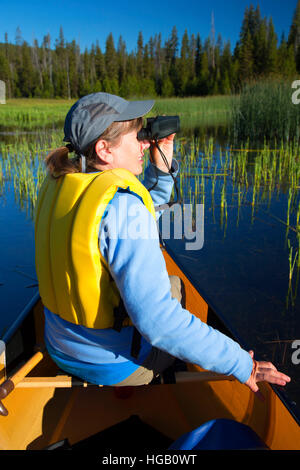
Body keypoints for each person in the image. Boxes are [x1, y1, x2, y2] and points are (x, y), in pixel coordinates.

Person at [35, 92, 290, 395]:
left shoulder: (63, 183)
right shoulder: (121, 207)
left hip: (59, 346)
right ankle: (148, 385)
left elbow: (125, 216)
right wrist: (239, 362)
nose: (145, 142)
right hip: (113, 364)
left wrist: (162, 170)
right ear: (104, 149)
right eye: (136, 135)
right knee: (175, 289)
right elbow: (159, 323)